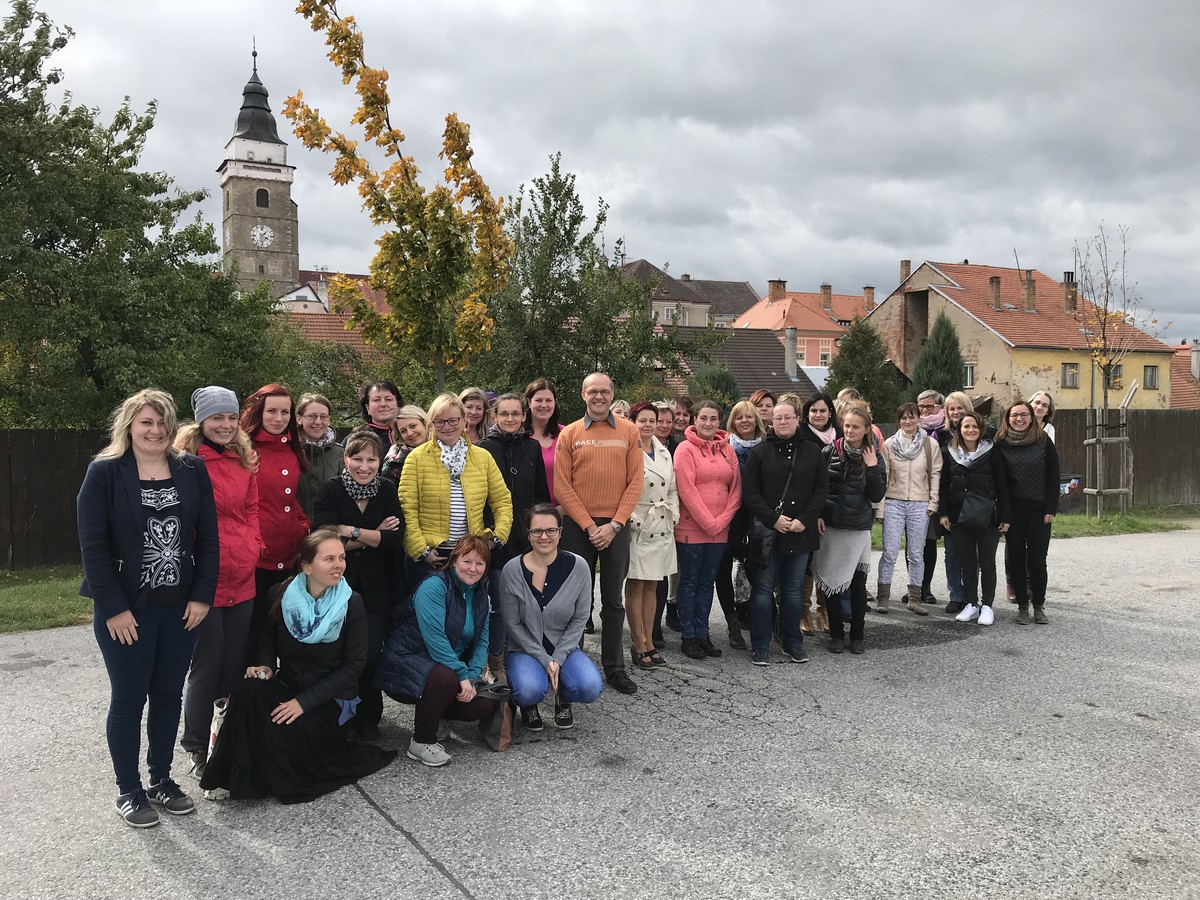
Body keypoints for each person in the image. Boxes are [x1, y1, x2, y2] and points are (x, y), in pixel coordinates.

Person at [77, 388, 219, 827]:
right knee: (129, 698)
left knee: (167, 695)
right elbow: (93, 548)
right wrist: (114, 607)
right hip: (127, 611)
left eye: (162, 423)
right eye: (146, 422)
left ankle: (161, 779)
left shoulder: (191, 469)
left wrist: (202, 594)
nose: (155, 431)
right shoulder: (105, 473)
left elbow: (209, 538)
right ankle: (129, 789)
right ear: (129, 427)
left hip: (179, 608)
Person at [199, 528, 396, 801]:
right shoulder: (280, 594)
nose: (339, 565)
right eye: (329, 559)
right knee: (247, 691)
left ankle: (261, 776)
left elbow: (354, 666)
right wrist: (265, 666)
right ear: (307, 566)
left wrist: (303, 702)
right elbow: (266, 639)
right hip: (290, 685)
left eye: (341, 557)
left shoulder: (351, 602)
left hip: (331, 701)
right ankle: (226, 778)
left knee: (284, 733)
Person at [176, 387, 264, 780]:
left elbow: (251, 510)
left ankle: (223, 737)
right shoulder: (186, 461)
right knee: (207, 664)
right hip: (204, 579)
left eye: (231, 417)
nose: (226, 425)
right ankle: (196, 744)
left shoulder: (244, 457)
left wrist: (254, 546)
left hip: (242, 574)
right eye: (217, 418)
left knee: (233, 662)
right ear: (201, 421)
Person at [555, 372, 644, 695]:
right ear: (583, 394)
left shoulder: (629, 431)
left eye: (604, 391)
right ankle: (572, 664)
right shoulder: (571, 434)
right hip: (579, 528)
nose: (599, 397)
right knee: (576, 600)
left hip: (616, 527)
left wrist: (615, 524)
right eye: (593, 391)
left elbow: (635, 482)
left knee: (612, 602)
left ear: (612, 393)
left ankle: (615, 668)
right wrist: (590, 526)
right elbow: (562, 486)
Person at [376, 536, 499, 767]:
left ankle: (432, 714)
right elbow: (436, 640)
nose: (473, 569)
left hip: (445, 667)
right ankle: (422, 741)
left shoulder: (481, 592)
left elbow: (483, 640)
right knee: (445, 678)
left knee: (482, 704)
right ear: (453, 561)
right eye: (467, 561)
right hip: (406, 660)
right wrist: (461, 675)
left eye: (480, 563)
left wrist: (472, 677)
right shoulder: (434, 585)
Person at [313, 431, 404, 741]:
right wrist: (370, 533)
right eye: (358, 459)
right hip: (338, 584)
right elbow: (323, 544)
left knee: (369, 654)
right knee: (338, 651)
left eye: (372, 459)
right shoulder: (332, 490)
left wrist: (349, 531)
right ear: (346, 459)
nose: (365, 467)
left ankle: (368, 717)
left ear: (380, 461)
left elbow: (394, 539)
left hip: (378, 586)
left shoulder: (387, 489)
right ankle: (337, 715)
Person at [499, 505, 603, 730]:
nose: (544, 536)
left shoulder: (579, 567)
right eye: (537, 531)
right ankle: (528, 705)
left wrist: (558, 657)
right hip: (525, 648)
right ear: (528, 534)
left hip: (564, 647)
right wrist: (546, 660)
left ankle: (563, 700)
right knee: (528, 690)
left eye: (550, 530)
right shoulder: (512, 570)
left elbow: (580, 618)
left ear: (560, 532)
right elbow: (512, 623)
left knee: (590, 686)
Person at [742, 397, 828, 665]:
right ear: (771, 421)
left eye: (787, 417)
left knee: (792, 592)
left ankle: (793, 643)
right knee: (763, 590)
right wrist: (773, 519)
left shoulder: (813, 451)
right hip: (769, 533)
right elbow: (751, 494)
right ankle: (760, 645)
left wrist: (805, 518)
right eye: (777, 418)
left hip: (801, 532)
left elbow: (821, 490)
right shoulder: (759, 452)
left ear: (797, 419)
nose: (782, 422)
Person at [399, 393, 512, 583]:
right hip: (430, 556)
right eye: (440, 422)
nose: (447, 426)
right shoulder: (416, 458)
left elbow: (502, 501)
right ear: (431, 423)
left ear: (464, 420)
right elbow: (406, 508)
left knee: (469, 610)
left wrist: (497, 537)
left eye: (453, 420)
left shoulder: (482, 457)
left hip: (471, 553)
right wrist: (421, 550)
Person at [477, 393, 551, 681]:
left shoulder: (532, 447)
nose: (510, 419)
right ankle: (495, 660)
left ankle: (526, 656)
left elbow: (541, 495)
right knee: (497, 603)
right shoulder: (483, 448)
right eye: (504, 414)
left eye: (515, 414)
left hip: (527, 538)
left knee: (529, 603)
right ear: (494, 416)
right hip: (495, 539)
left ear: (523, 417)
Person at [241, 384, 310, 661]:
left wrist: (302, 526)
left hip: (289, 552)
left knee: (280, 628)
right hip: (256, 555)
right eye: (272, 411)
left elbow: (290, 499)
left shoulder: (293, 450)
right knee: (252, 629)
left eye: (285, 412)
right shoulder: (244, 449)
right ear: (259, 411)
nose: (279, 419)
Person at [812, 406, 886, 654]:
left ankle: (857, 635)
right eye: (847, 425)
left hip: (858, 530)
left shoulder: (874, 455)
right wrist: (819, 515)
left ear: (866, 429)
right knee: (833, 583)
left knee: (856, 585)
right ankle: (835, 634)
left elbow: (877, 494)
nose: (850, 430)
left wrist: (873, 467)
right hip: (832, 526)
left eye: (856, 426)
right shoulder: (829, 451)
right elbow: (819, 488)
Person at [673, 401, 742, 659]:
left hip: (719, 530)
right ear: (695, 419)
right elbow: (686, 489)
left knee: (707, 583)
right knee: (690, 582)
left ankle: (703, 633)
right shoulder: (685, 449)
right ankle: (688, 635)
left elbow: (735, 489)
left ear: (719, 422)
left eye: (713, 418)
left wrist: (722, 520)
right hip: (692, 528)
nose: (708, 423)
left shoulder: (728, 451)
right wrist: (709, 523)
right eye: (703, 418)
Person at [939, 412, 1011, 625]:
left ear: (981, 430)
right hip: (959, 515)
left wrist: (1006, 515)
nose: (970, 430)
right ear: (959, 430)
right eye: (966, 427)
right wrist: (943, 513)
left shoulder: (993, 453)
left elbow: (1002, 485)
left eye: (975, 427)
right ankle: (971, 604)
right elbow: (943, 484)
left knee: (987, 562)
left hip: (988, 516)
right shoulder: (948, 453)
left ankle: (987, 605)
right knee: (967, 562)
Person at [625, 401, 679, 668]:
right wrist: (633, 520)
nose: (648, 425)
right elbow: (619, 489)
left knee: (653, 585)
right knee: (636, 584)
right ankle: (638, 643)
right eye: (642, 420)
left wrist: (674, 514)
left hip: (662, 525)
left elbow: (671, 488)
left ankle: (650, 640)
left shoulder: (664, 451)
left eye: (652, 421)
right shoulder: (627, 449)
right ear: (633, 422)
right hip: (638, 525)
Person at [997, 400, 1060, 625]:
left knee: (1037, 560)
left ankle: (1039, 606)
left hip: (1039, 511)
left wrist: (1051, 509)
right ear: (1008, 419)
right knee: (1015, 559)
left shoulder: (1043, 441)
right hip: (1013, 512)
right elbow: (1000, 484)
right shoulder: (1001, 443)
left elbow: (1054, 476)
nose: (1019, 419)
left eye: (1024, 415)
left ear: (1032, 418)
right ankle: (1022, 607)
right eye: (1014, 415)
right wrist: (1004, 516)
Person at [877, 402, 941, 616]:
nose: (908, 421)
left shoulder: (930, 445)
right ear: (899, 421)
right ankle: (883, 597)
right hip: (894, 502)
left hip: (919, 503)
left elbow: (935, 475)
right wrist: (880, 507)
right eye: (904, 418)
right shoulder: (889, 445)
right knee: (889, 552)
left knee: (916, 554)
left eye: (912, 417)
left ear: (918, 419)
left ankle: (915, 598)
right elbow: (883, 477)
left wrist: (933, 502)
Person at [713, 400, 765, 650]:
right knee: (722, 571)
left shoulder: (766, 447)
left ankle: (758, 618)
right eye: (739, 417)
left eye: (749, 416)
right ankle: (732, 622)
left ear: (757, 420)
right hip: (728, 517)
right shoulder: (724, 448)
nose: (744, 421)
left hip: (756, 519)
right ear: (732, 422)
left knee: (755, 569)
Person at [924, 391, 976, 613]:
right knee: (952, 552)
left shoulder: (981, 434)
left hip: (976, 504)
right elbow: (941, 478)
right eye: (951, 409)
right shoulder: (942, 437)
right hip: (952, 503)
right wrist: (942, 509)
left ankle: (971, 595)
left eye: (959, 408)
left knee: (972, 553)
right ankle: (955, 595)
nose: (955, 413)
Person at [798, 393, 839, 635]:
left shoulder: (840, 436)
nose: (818, 415)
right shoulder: (802, 436)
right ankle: (804, 611)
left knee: (828, 560)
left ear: (830, 412)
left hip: (836, 506)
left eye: (823, 410)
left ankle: (823, 611)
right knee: (807, 562)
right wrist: (816, 512)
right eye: (814, 411)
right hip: (811, 507)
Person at [296, 393, 343, 521]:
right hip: (293, 529)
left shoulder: (340, 454)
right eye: (311, 416)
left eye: (323, 416)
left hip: (329, 529)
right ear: (299, 418)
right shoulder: (289, 451)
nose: (318, 422)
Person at [523, 378, 564, 506]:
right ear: (529, 402)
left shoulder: (567, 434)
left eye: (549, 400)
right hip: (528, 513)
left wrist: (564, 509)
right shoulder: (518, 436)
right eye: (538, 400)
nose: (544, 405)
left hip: (565, 512)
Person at [380, 404, 429, 482]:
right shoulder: (395, 457)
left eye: (413, 426)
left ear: (424, 423)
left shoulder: (443, 447)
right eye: (403, 431)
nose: (410, 433)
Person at [361, 380, 403, 450]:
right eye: (376, 400)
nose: (383, 404)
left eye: (388, 399)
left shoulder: (410, 434)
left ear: (398, 405)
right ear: (367, 408)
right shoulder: (358, 438)